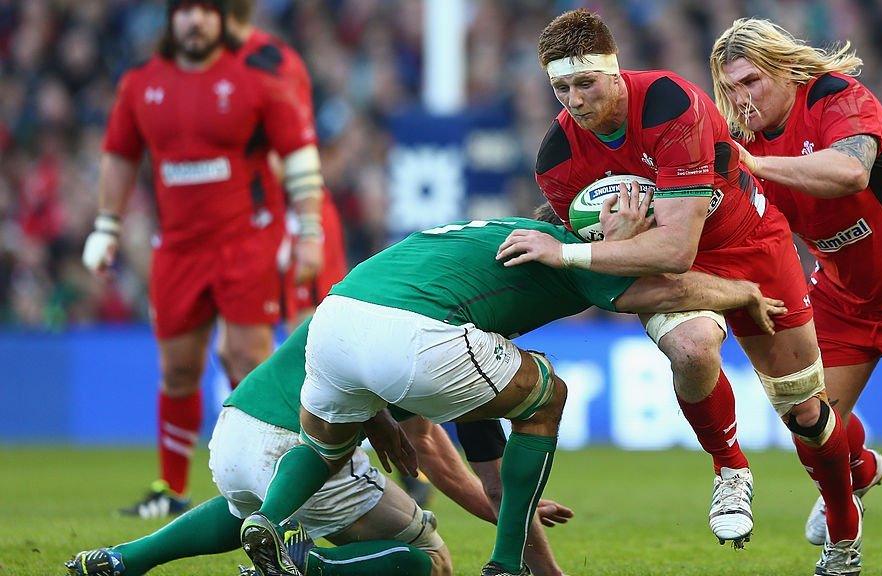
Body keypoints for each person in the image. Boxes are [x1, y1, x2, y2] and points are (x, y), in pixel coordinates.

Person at [499, 9, 861, 574]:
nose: (574, 99)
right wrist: (608, 249)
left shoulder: (672, 105)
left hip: (751, 245)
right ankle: (730, 468)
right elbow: (619, 280)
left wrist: (572, 251)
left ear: (615, 73)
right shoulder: (558, 159)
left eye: (585, 83)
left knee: (807, 414)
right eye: (560, 87)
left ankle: (844, 532)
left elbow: (675, 251)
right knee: (691, 348)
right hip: (665, 268)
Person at [235, 216, 785, 576]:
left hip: (336, 318)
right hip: (413, 334)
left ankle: (271, 522)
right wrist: (744, 291)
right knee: (547, 397)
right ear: (597, 228)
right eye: (633, 219)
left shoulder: (485, 242)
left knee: (322, 449)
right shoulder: (573, 253)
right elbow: (670, 289)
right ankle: (505, 566)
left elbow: (485, 458)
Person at [709, 18, 882, 576]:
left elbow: (852, 172)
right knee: (808, 416)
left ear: (784, 70)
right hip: (842, 294)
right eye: (730, 89)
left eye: (751, 82)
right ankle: (854, 480)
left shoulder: (836, 96)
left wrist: (756, 165)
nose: (742, 99)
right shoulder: (742, 139)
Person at [63, 314, 576, 576]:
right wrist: (514, 518)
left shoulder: (375, 291)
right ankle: (308, 566)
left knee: (251, 505)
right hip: (299, 447)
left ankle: (126, 558)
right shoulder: (455, 349)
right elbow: (431, 450)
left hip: (236, 429)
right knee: (430, 557)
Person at [81, 0, 323, 517]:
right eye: (185, 10)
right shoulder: (141, 84)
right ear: (170, 19)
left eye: (206, 10)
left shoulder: (257, 78)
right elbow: (120, 156)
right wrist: (107, 225)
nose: (195, 20)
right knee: (178, 369)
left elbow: (299, 152)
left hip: (247, 242)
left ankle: (271, 475)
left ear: (221, 18)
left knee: (246, 358)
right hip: (177, 249)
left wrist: (310, 230)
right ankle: (170, 490)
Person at [223, 0, 348, 331]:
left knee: (308, 327)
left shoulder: (285, 99)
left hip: (296, 216)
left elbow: (308, 328)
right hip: (259, 215)